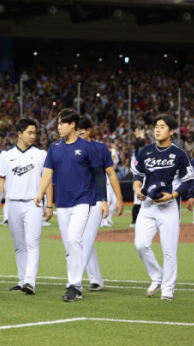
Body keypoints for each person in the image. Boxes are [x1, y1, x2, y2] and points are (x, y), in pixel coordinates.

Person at [34, 109, 108, 302]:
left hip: (84, 200)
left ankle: (74, 285)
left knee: (74, 238)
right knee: (69, 243)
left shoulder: (87, 147)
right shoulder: (54, 147)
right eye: (58, 123)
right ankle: (73, 285)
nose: (59, 126)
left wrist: (105, 200)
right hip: (63, 203)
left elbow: (99, 175)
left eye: (62, 123)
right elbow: (48, 174)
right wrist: (41, 193)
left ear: (73, 124)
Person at [131, 114, 194, 301]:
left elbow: (187, 180)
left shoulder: (179, 154)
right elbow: (138, 175)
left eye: (162, 126)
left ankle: (168, 288)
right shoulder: (145, 151)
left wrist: (174, 195)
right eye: (156, 126)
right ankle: (157, 276)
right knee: (141, 244)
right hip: (148, 206)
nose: (157, 130)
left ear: (171, 131)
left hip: (168, 207)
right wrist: (137, 188)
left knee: (169, 250)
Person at [0, 119, 53, 295]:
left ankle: (30, 282)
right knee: (19, 245)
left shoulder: (42, 154)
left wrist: (49, 205)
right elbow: (0, 180)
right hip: (12, 204)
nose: (33, 136)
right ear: (19, 134)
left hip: (34, 203)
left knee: (32, 242)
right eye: (29, 132)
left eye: (35, 132)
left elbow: (47, 180)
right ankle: (22, 280)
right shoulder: (6, 155)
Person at [77, 117, 124, 292]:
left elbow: (111, 174)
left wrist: (118, 199)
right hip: (78, 200)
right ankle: (96, 279)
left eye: (82, 132)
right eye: (76, 132)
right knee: (82, 240)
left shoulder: (100, 148)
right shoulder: (70, 148)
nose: (79, 135)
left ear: (89, 131)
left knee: (86, 240)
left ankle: (74, 282)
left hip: (97, 199)